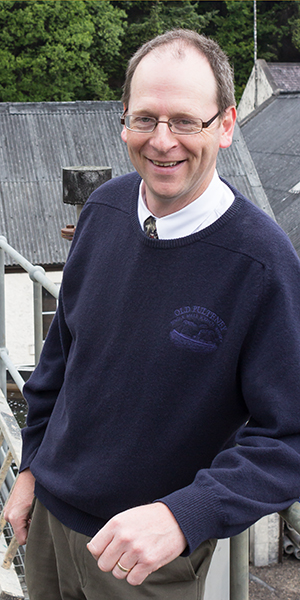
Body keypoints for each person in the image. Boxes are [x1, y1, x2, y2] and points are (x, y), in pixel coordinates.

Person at [5, 28, 300, 600]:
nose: (163, 141)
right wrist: (30, 469)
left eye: (185, 121)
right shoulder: (104, 208)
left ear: (227, 124)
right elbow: (61, 355)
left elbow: (288, 435)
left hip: (145, 561)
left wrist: (184, 515)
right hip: (49, 522)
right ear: (123, 122)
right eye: (145, 118)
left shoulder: (261, 263)